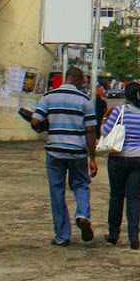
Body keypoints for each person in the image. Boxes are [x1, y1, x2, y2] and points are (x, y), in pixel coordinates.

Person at [33, 66, 98, 246]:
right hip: (77, 151)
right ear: (75, 78)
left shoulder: (49, 97)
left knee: (57, 191)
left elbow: (36, 120)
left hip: (55, 150)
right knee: (81, 185)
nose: (84, 83)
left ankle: (62, 236)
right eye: (82, 80)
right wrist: (92, 158)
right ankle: (82, 215)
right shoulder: (85, 101)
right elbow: (90, 131)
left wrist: (44, 125)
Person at [101, 82, 140, 250]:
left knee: (117, 196)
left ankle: (114, 234)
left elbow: (105, 131)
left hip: (119, 157)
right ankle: (134, 237)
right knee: (133, 197)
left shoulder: (120, 111)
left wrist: (105, 118)